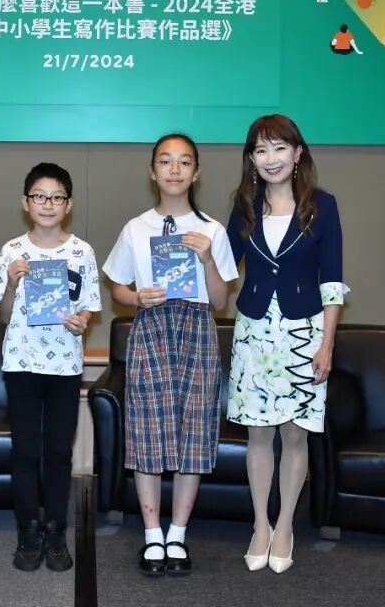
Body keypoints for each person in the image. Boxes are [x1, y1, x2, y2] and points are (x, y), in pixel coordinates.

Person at [103, 134, 239, 576]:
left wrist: (208, 260)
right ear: (152, 171)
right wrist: (136, 297)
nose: (175, 170)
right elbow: (116, 286)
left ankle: (178, 533)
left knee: (193, 432)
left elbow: (220, 300)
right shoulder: (136, 227)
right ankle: (152, 534)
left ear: (196, 173)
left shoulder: (213, 230)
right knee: (147, 431)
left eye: (184, 162)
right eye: (165, 161)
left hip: (198, 329)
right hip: (151, 329)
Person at [225, 114, 348, 574]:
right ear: (252, 159)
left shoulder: (323, 206)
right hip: (253, 332)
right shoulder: (243, 206)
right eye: (261, 150)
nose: (270, 158)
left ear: (297, 154)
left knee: (295, 435)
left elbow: (332, 281)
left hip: (304, 333)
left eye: (279, 148)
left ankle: (285, 527)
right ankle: (260, 524)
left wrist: (327, 345)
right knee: (258, 434)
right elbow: (223, 268)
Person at [0, 163, 102, 572]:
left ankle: (55, 531)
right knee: (25, 450)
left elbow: (88, 309)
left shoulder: (82, 251)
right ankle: (27, 531)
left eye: (57, 197)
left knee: (58, 452)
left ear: (68, 205)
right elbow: (4, 315)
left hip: (65, 367)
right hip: (21, 363)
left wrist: (81, 322)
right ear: (26, 202)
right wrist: (11, 284)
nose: (48, 204)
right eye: (39, 196)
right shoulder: (11, 250)